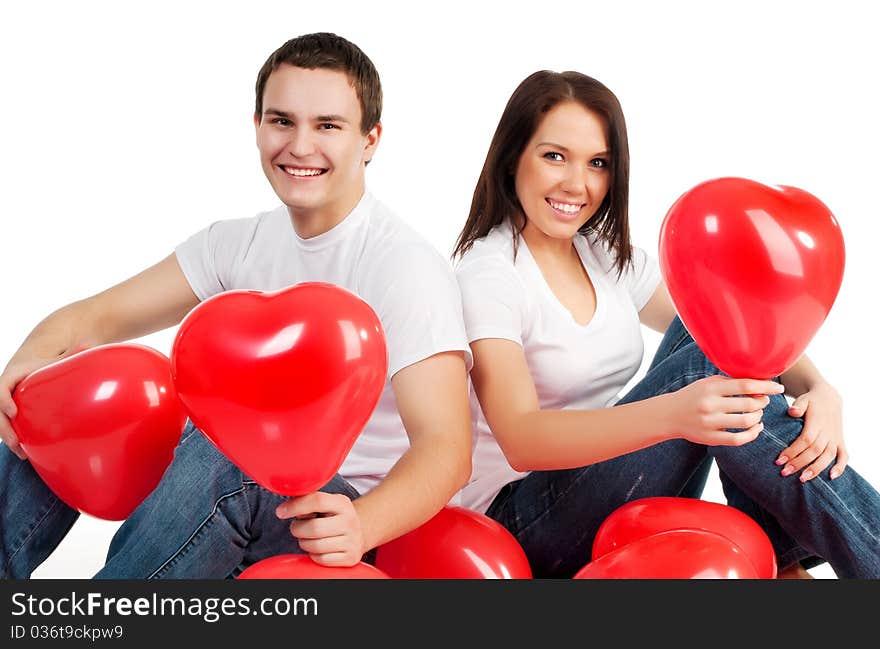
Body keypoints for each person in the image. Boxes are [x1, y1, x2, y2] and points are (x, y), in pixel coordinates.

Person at [0, 32, 473, 579]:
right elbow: (94, 318)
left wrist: (362, 524)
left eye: (327, 126)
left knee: (233, 452)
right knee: (60, 397)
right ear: (257, 128)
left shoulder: (403, 265)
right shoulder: (237, 243)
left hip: (342, 521)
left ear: (370, 140)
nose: (300, 145)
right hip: (242, 489)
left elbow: (446, 450)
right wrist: (20, 377)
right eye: (282, 121)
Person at [452, 70, 880, 579]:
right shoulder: (488, 273)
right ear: (511, 158)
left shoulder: (603, 254)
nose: (576, 184)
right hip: (517, 521)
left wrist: (819, 389)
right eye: (554, 156)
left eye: (597, 164)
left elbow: (733, 334)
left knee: (717, 335)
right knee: (707, 367)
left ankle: (783, 561)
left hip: (597, 486)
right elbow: (521, 438)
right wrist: (674, 414)